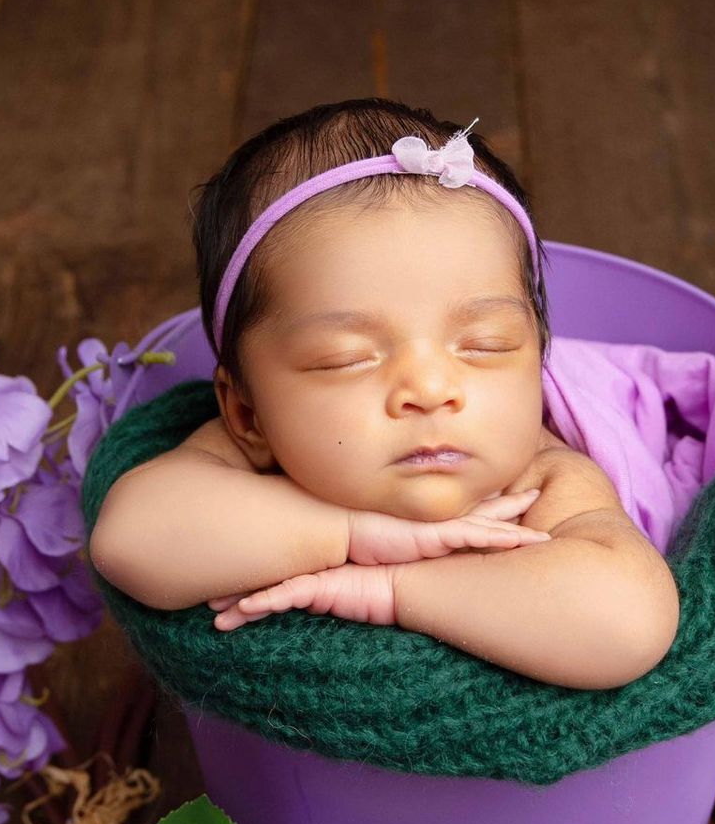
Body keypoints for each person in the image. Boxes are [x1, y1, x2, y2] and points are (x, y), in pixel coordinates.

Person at [86, 98, 681, 691]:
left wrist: (392, 587)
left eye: (486, 345)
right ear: (247, 413)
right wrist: (351, 534)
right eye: (346, 358)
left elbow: (626, 626)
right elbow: (130, 541)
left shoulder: (542, 478)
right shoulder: (248, 452)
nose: (429, 389)